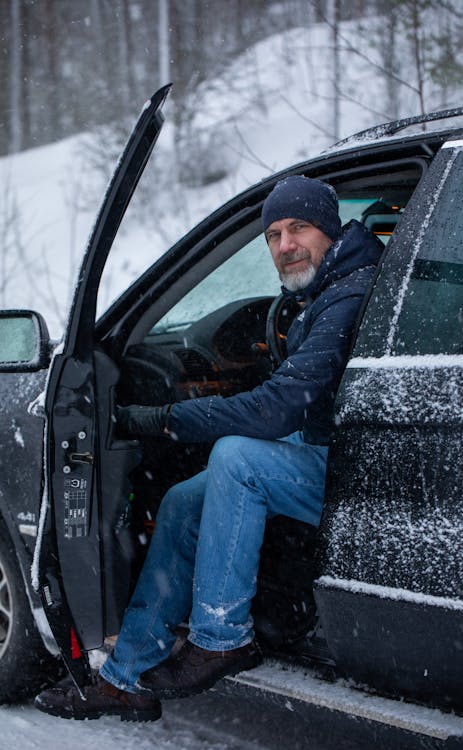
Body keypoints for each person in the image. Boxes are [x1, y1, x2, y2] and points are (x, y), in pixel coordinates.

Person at [34, 175, 384, 721]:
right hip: (329, 446)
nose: (285, 244)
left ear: (330, 230)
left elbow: (278, 408)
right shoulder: (328, 289)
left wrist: (165, 417)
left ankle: (222, 637)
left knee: (237, 460)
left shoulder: (352, 294)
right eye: (273, 235)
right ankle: (126, 676)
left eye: (299, 228)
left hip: (364, 472)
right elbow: (294, 403)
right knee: (182, 501)